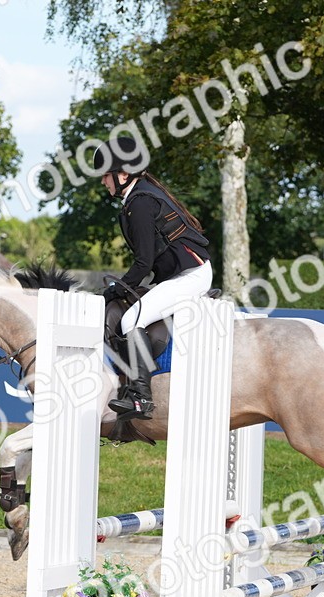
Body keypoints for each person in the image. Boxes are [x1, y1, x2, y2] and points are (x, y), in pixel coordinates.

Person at [93, 136, 213, 421]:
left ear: (122, 175)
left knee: (131, 320)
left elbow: (143, 262)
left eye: (105, 177)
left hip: (191, 275)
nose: (103, 183)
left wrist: (113, 291)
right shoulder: (140, 196)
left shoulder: (142, 202)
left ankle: (140, 396)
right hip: (179, 275)